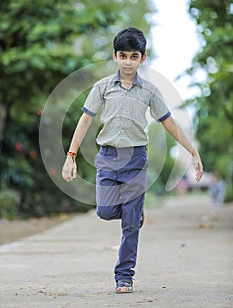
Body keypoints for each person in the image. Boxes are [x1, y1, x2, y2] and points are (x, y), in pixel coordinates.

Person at [62, 27, 203, 293]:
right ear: (115, 56)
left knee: (129, 225)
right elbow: (85, 120)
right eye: (123, 55)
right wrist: (71, 156)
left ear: (143, 58)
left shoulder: (149, 90)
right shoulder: (102, 87)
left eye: (134, 56)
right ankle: (134, 213)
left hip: (136, 160)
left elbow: (169, 123)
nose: (128, 61)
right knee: (104, 211)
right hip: (107, 158)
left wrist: (192, 151)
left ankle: (124, 276)